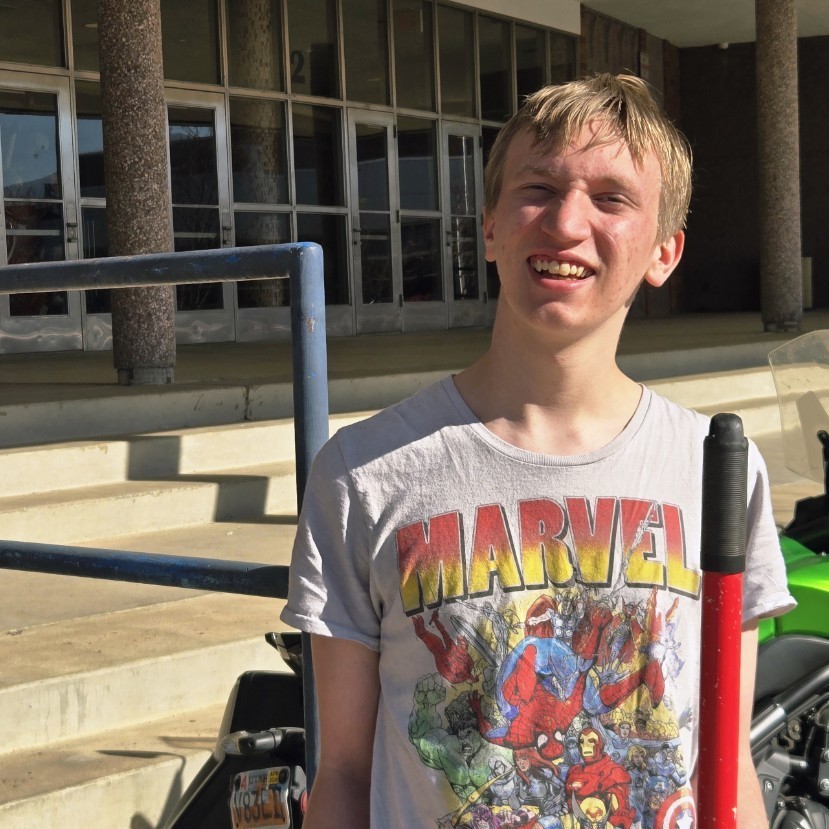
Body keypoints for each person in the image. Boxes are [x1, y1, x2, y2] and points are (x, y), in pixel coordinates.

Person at [281, 73, 795, 828]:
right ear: (488, 225)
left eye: (611, 198)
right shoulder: (365, 474)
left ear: (663, 251)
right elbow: (347, 773)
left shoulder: (714, 473)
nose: (565, 221)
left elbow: (723, 770)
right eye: (537, 188)